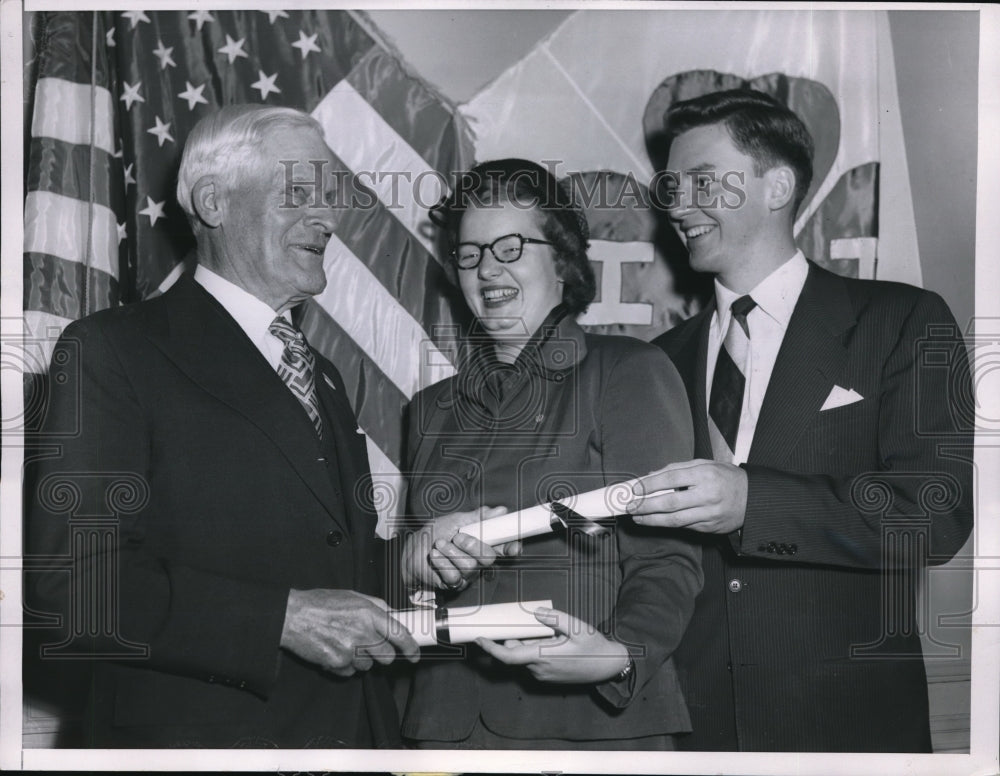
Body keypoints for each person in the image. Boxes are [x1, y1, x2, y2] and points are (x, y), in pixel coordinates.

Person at [24, 104, 432, 748]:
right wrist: (279, 620)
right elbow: (73, 586)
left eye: (330, 199)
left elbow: (330, 560)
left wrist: (413, 559)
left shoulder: (319, 373)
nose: (329, 218)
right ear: (214, 201)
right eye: (300, 193)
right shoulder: (114, 350)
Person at [625, 89, 974, 751]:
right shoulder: (655, 363)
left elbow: (936, 513)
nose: (676, 204)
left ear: (777, 185)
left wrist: (755, 502)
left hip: (847, 729)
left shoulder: (900, 322)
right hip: (689, 733)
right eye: (672, 185)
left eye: (703, 180)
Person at [396, 159, 703, 749]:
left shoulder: (629, 372)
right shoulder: (430, 408)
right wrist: (416, 563)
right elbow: (415, 587)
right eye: (470, 253)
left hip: (589, 730)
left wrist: (617, 655)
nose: (487, 269)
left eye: (510, 247)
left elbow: (668, 563)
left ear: (562, 260)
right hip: (445, 733)